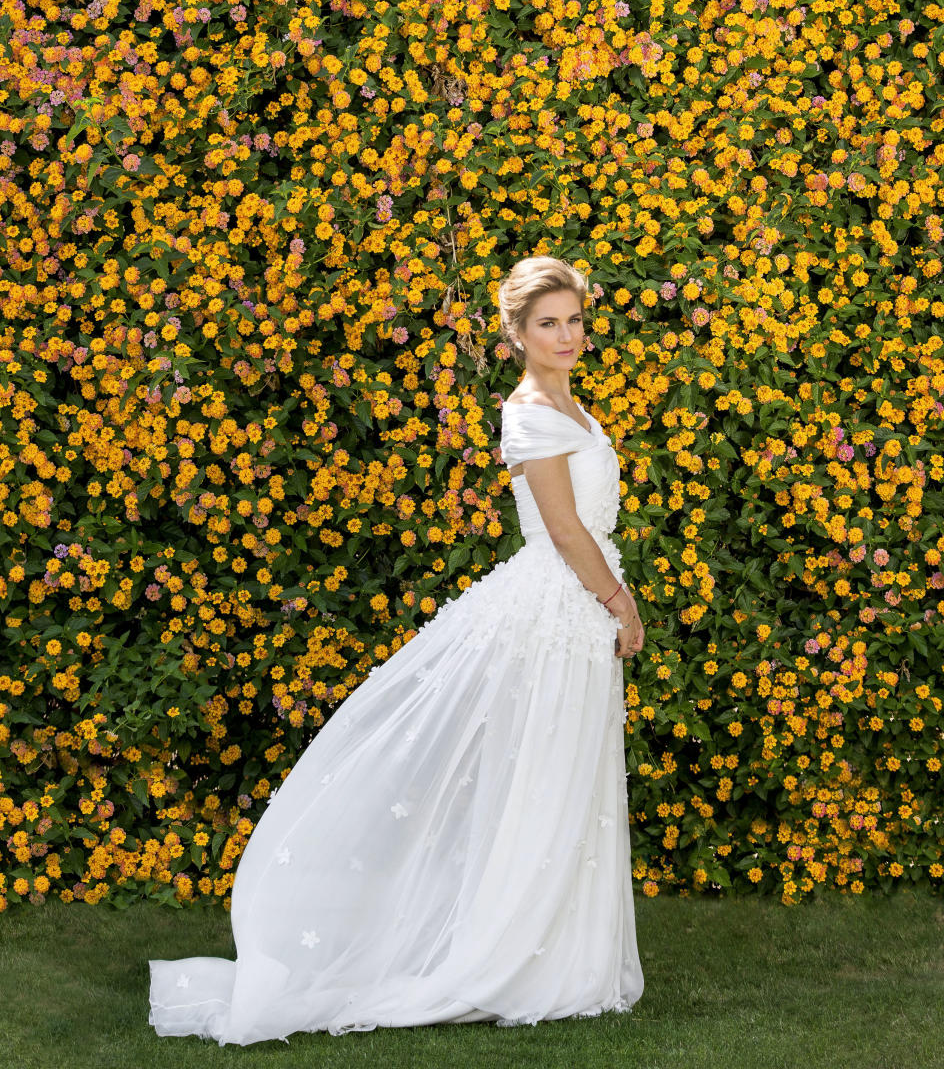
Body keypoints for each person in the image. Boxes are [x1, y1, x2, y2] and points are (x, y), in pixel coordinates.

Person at [148, 254, 646, 1043]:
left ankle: (559, 955)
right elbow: (561, 529)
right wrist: (619, 601)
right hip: (562, 606)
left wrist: (609, 602)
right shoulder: (529, 413)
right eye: (547, 324)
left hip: (576, 609)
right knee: (541, 779)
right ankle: (514, 955)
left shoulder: (570, 404)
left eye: (574, 321)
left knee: (568, 776)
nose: (565, 336)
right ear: (516, 333)